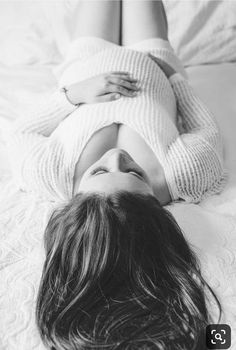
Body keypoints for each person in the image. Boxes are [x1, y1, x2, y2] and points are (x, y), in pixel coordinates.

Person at [5, 0, 225, 349]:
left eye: (100, 170)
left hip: (86, 61)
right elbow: (206, 129)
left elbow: (20, 132)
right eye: (135, 173)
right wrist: (174, 78)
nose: (118, 156)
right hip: (150, 57)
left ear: (77, 198)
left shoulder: (52, 174)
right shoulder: (182, 175)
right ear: (154, 202)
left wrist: (73, 95)